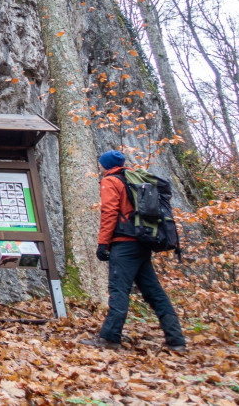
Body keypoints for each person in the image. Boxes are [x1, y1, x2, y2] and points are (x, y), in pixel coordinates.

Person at [80, 150, 187, 352]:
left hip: (124, 243)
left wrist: (103, 243)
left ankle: (110, 337)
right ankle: (176, 340)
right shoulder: (132, 179)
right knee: (154, 291)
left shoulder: (111, 181)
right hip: (142, 241)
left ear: (106, 165)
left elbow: (110, 212)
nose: (99, 166)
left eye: (100, 163)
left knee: (119, 289)